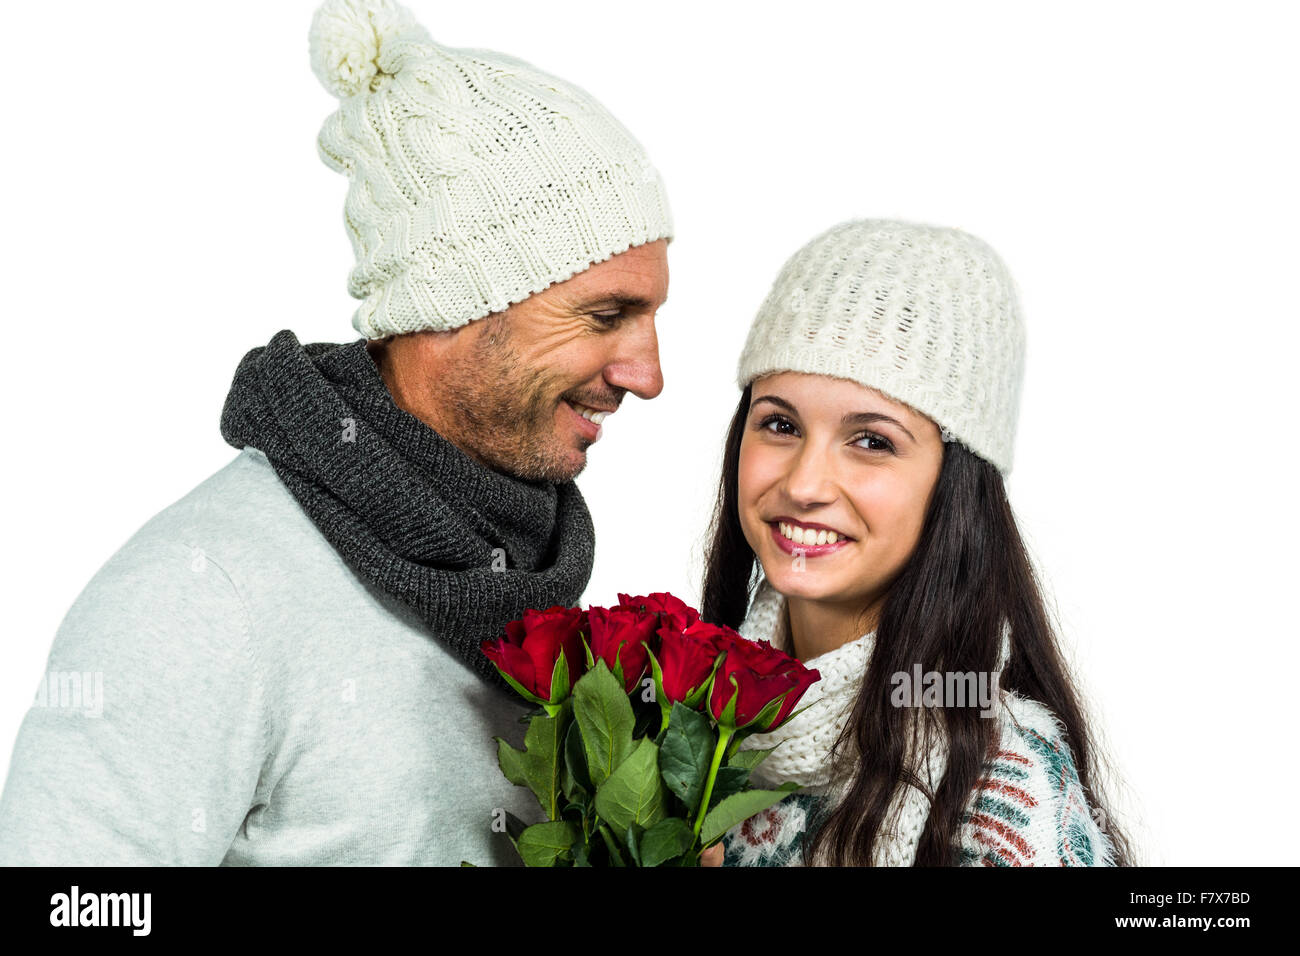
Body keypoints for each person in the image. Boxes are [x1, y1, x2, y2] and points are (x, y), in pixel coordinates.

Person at [0, 0, 671, 865]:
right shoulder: (204, 595)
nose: (648, 374)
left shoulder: (526, 576)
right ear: (450, 305)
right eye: (606, 316)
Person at [700, 219, 1134, 866]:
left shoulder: (1003, 792)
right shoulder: (682, 720)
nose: (804, 484)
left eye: (871, 440)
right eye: (781, 425)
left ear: (954, 485)